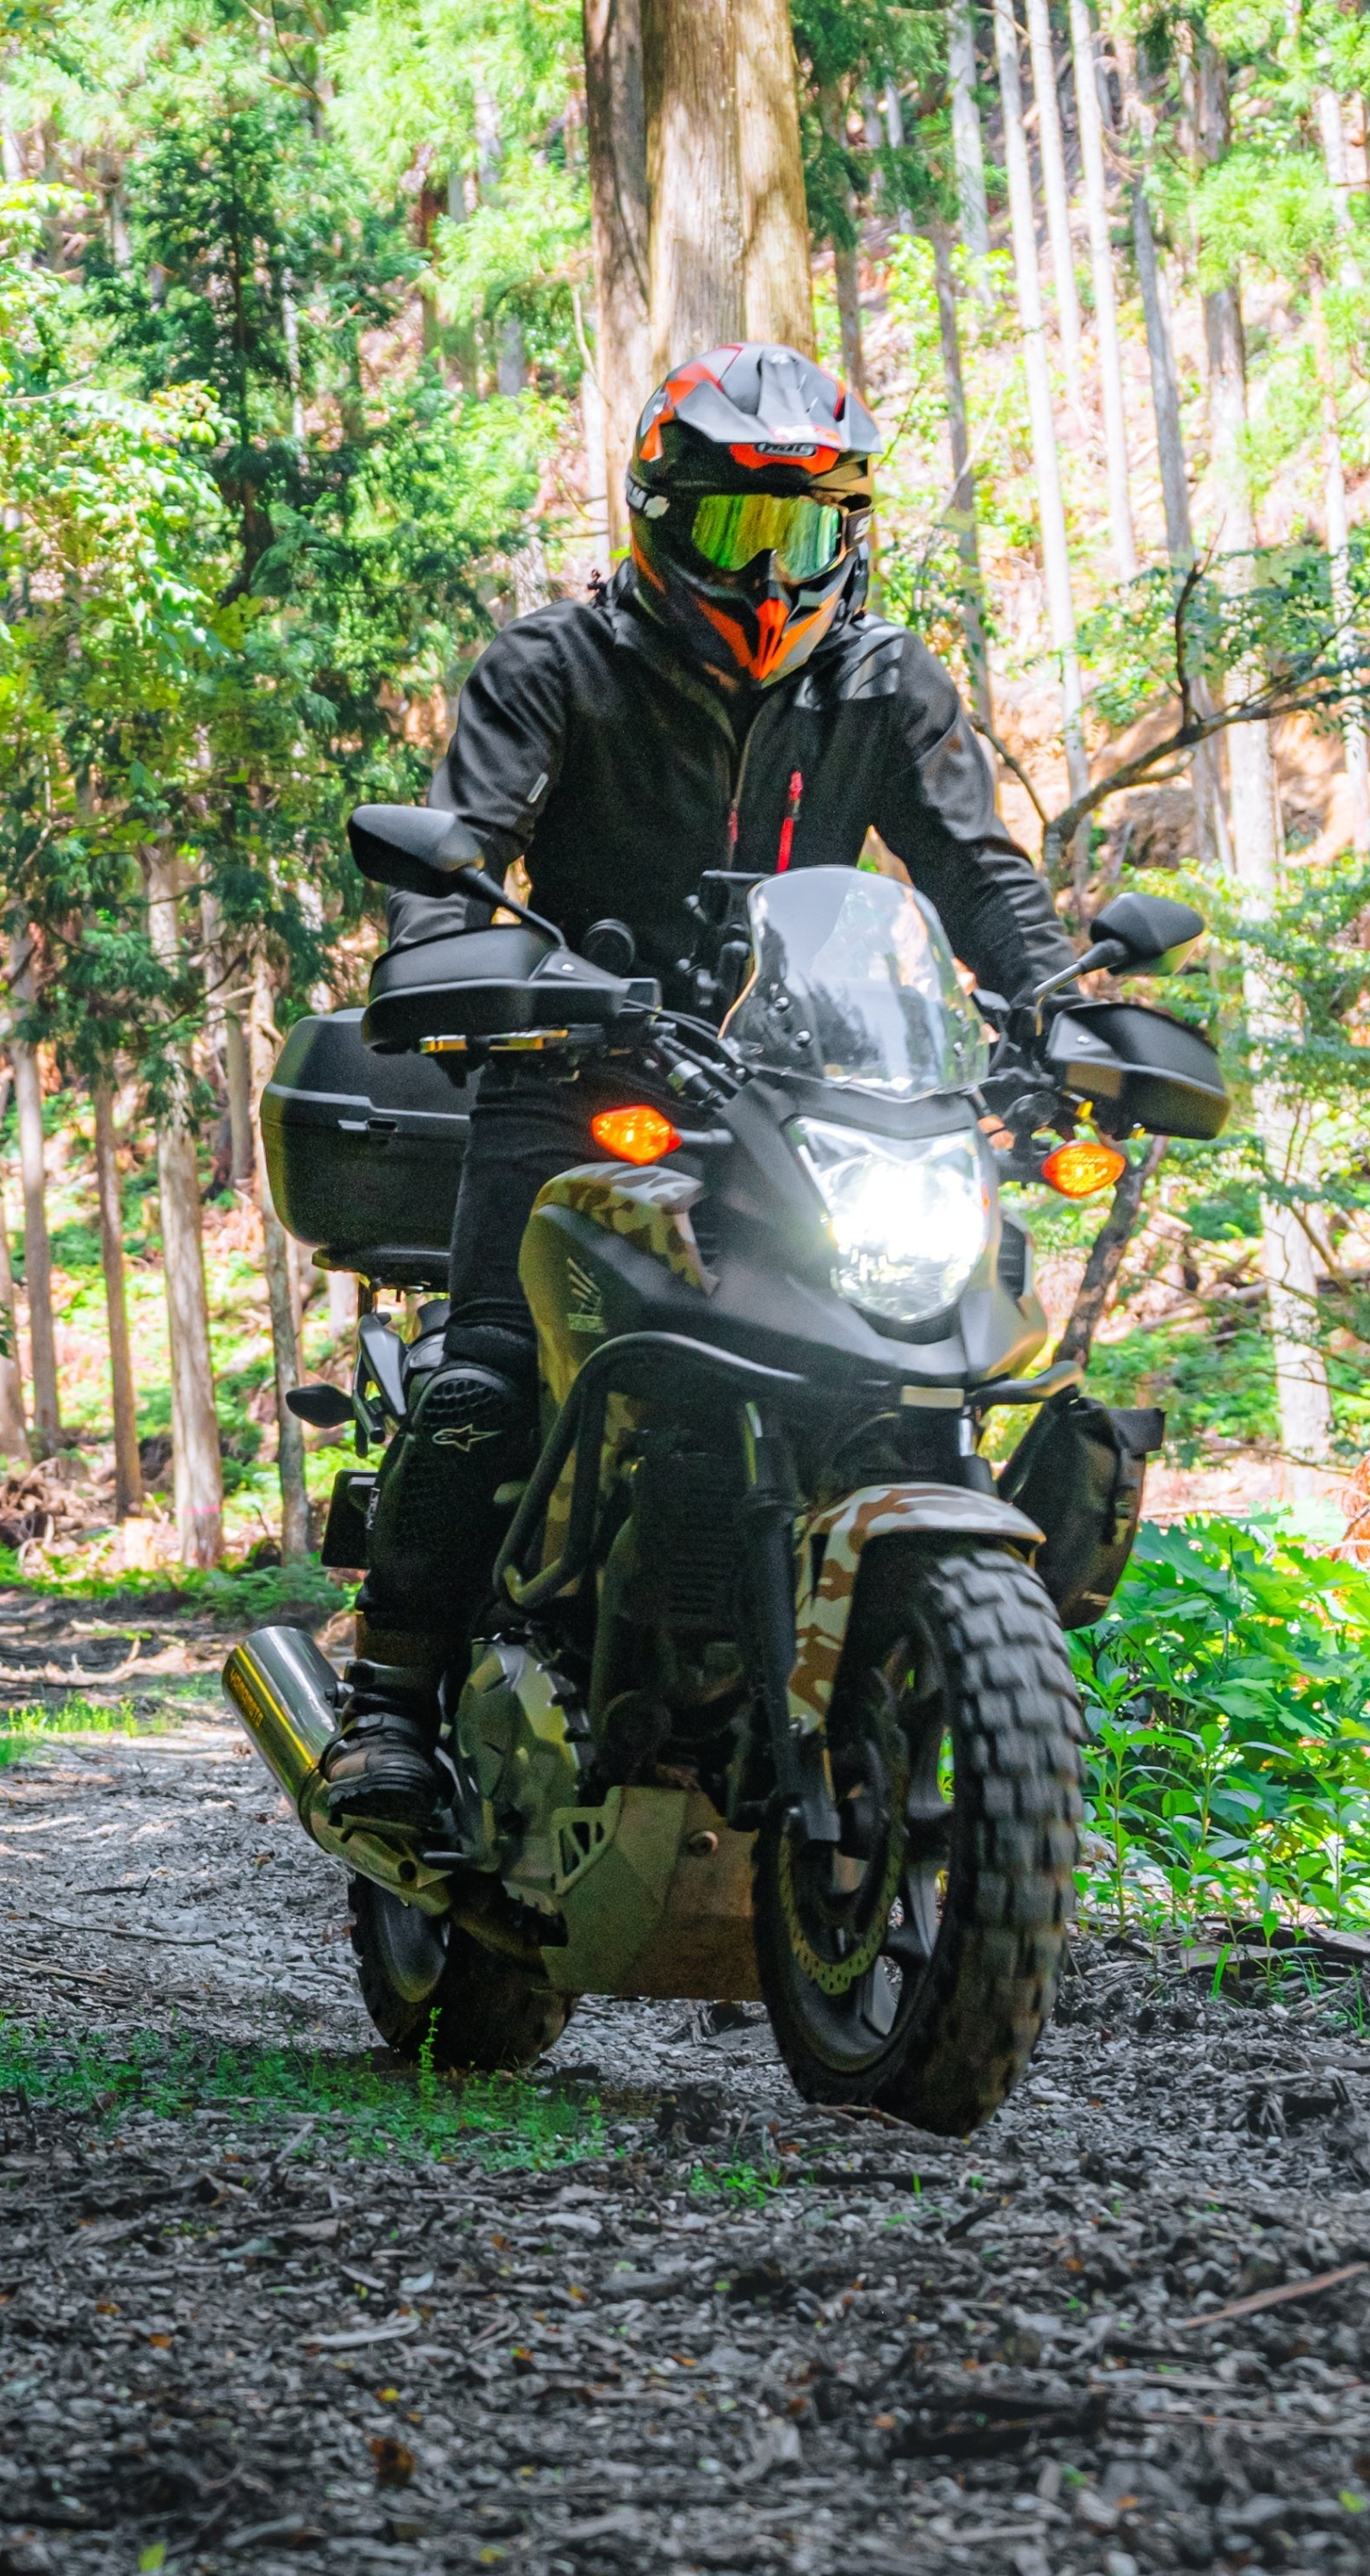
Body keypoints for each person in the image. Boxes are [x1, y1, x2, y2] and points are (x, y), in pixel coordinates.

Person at [317, 340, 1077, 1841]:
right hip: (581, 1074)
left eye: (802, 534)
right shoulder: (556, 667)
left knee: (937, 1359)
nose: (771, 574)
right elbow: (459, 850)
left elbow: (975, 872)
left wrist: (1057, 1001)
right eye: (738, 530)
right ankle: (389, 1711)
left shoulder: (882, 680)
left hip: (814, 1089)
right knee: (483, 1378)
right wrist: (463, 962)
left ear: (848, 536)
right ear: (660, 520)